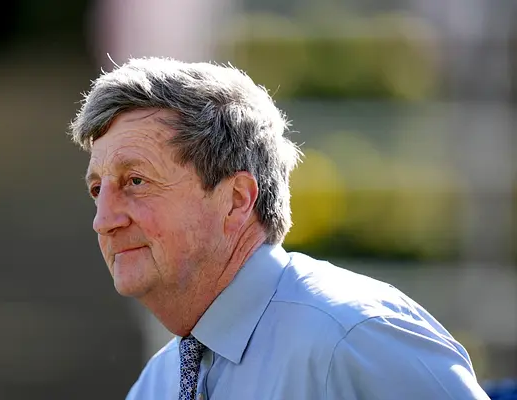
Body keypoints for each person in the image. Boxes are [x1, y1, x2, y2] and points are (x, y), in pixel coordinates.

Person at [67, 57, 490, 399]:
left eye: (136, 181)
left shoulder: (353, 339)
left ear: (237, 200)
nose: (103, 220)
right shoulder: (158, 384)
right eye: (97, 190)